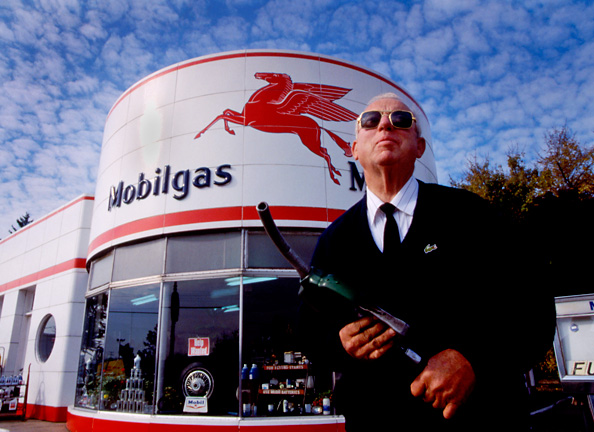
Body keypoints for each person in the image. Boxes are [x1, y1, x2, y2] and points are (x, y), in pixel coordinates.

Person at [302, 93, 555, 431]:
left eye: (401, 120)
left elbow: (533, 310)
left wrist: (474, 361)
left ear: (419, 146)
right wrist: (340, 343)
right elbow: (311, 333)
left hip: (481, 422)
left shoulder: (473, 216)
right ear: (354, 149)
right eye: (371, 121)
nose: (386, 126)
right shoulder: (333, 242)